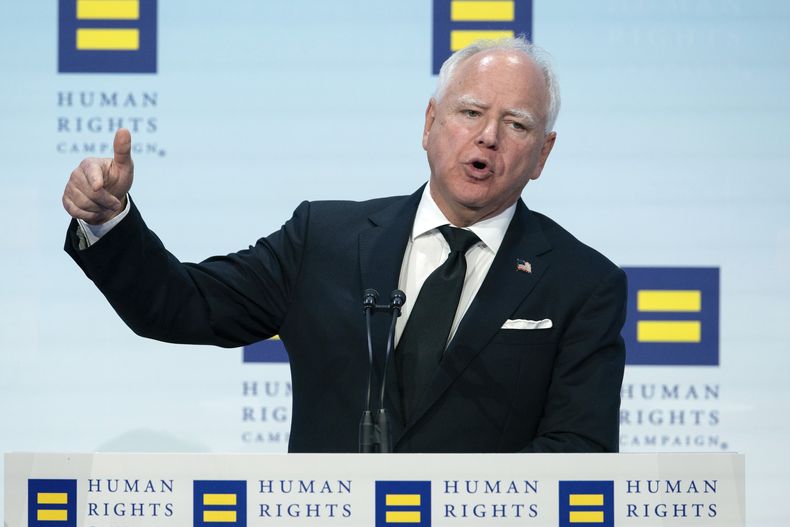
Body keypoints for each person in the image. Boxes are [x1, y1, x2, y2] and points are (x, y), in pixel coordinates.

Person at [63, 37, 627, 453]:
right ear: (430, 123)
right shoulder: (324, 241)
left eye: (517, 125)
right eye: (470, 112)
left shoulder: (581, 284)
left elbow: (578, 453)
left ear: (543, 154)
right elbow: (183, 305)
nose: (487, 137)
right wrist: (111, 223)